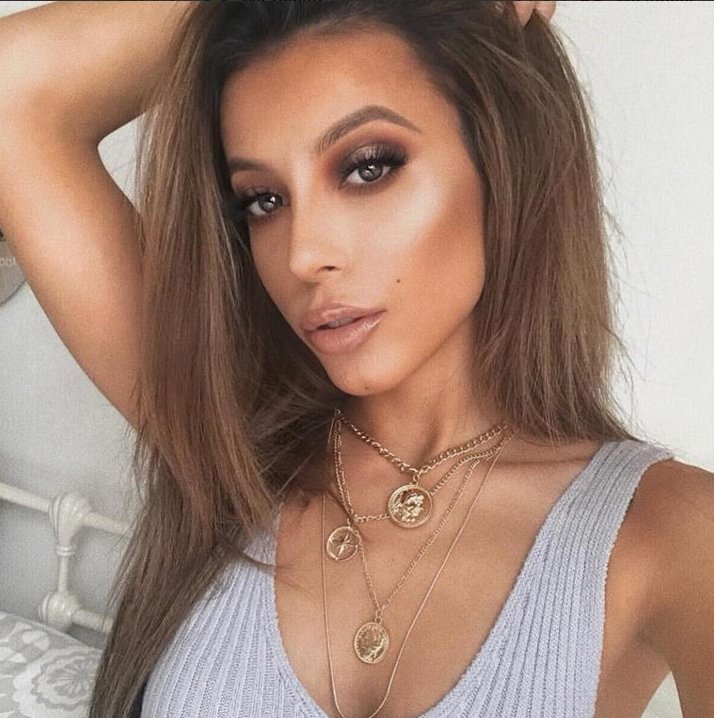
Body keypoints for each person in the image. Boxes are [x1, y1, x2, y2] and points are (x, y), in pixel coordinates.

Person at [0, 1, 712, 717]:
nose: (303, 254)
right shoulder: (232, 436)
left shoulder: (671, 533)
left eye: (368, 168)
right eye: (263, 200)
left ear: (505, 160)